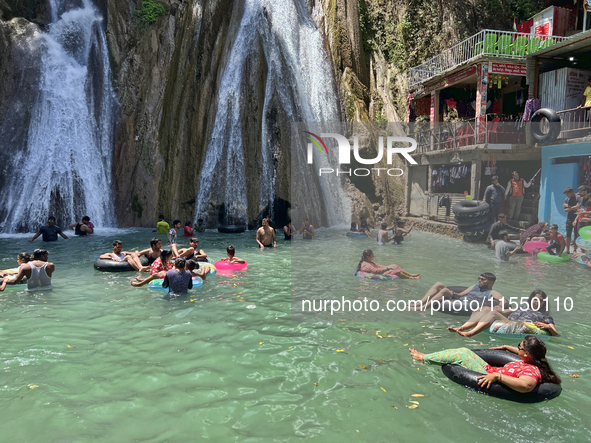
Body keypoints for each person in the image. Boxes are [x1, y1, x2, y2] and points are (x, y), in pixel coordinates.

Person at [409, 335, 561, 393]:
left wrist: (498, 377)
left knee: (462, 353)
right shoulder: (532, 360)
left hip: (488, 374)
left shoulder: (531, 370)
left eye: (520, 346)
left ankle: (423, 358)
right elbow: (520, 353)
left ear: (527, 354)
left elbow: (527, 386)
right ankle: (426, 357)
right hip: (490, 370)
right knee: (465, 352)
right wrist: (506, 347)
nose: (518, 348)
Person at [448, 290, 559, 337]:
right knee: (489, 310)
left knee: (492, 314)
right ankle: (461, 328)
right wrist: (484, 307)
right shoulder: (522, 307)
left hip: (518, 325)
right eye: (534, 299)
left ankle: (471, 333)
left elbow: (556, 334)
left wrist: (547, 326)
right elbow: (502, 311)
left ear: (543, 302)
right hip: (509, 321)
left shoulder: (545, 316)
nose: (536, 302)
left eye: (539, 300)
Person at [413, 273, 506, 312]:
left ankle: (423, 308)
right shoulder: (474, 286)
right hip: (459, 300)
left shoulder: (491, 292)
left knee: (444, 291)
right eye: (479, 278)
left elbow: (503, 300)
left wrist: (500, 306)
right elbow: (461, 294)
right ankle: (420, 303)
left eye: (483, 279)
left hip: (468, 305)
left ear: (490, 282)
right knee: (438, 284)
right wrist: (455, 293)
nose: (479, 281)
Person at [355, 249, 420, 280]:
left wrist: (389, 266)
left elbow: (378, 266)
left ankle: (410, 274)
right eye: (372, 255)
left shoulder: (370, 261)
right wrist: (388, 268)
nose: (374, 256)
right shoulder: (366, 265)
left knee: (395, 265)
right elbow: (375, 271)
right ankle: (411, 278)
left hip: (379, 271)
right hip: (377, 274)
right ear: (367, 257)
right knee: (395, 271)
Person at [563, 186, 583, 254]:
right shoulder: (567, 199)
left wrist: (569, 207)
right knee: (568, 234)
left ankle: (575, 250)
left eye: (568, 194)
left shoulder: (578, 198)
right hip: (569, 218)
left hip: (577, 218)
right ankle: (567, 249)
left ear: (572, 192)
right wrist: (572, 208)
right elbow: (565, 210)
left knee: (576, 235)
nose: (567, 196)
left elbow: (578, 208)